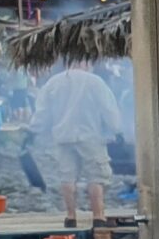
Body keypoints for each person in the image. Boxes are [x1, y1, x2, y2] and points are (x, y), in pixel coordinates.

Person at [33, 64, 126, 229]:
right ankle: (98, 216)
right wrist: (116, 129)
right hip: (90, 136)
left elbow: (42, 112)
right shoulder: (95, 82)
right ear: (85, 63)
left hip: (62, 136)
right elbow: (109, 109)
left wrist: (35, 130)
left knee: (67, 176)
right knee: (96, 175)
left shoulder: (53, 83)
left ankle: (70, 216)